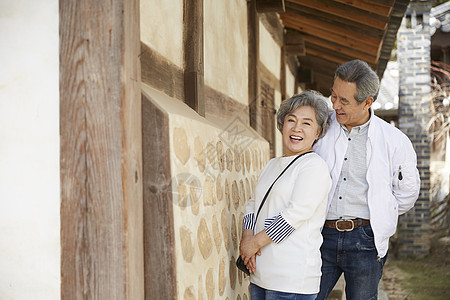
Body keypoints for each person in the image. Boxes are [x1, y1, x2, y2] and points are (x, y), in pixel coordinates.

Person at [313, 59, 421, 300]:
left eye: (344, 101)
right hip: (320, 235)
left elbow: (407, 194)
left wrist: (380, 214)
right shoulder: (321, 126)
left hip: (364, 239)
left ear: (368, 102)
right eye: (333, 96)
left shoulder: (395, 140)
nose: (335, 105)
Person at [239, 90, 332, 299]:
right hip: (260, 274)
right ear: (282, 125)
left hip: (292, 280)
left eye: (306, 123)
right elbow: (254, 204)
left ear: (318, 132)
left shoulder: (314, 166)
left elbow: (295, 214)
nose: (296, 128)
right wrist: (247, 239)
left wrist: (255, 243)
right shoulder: (273, 164)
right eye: (291, 120)